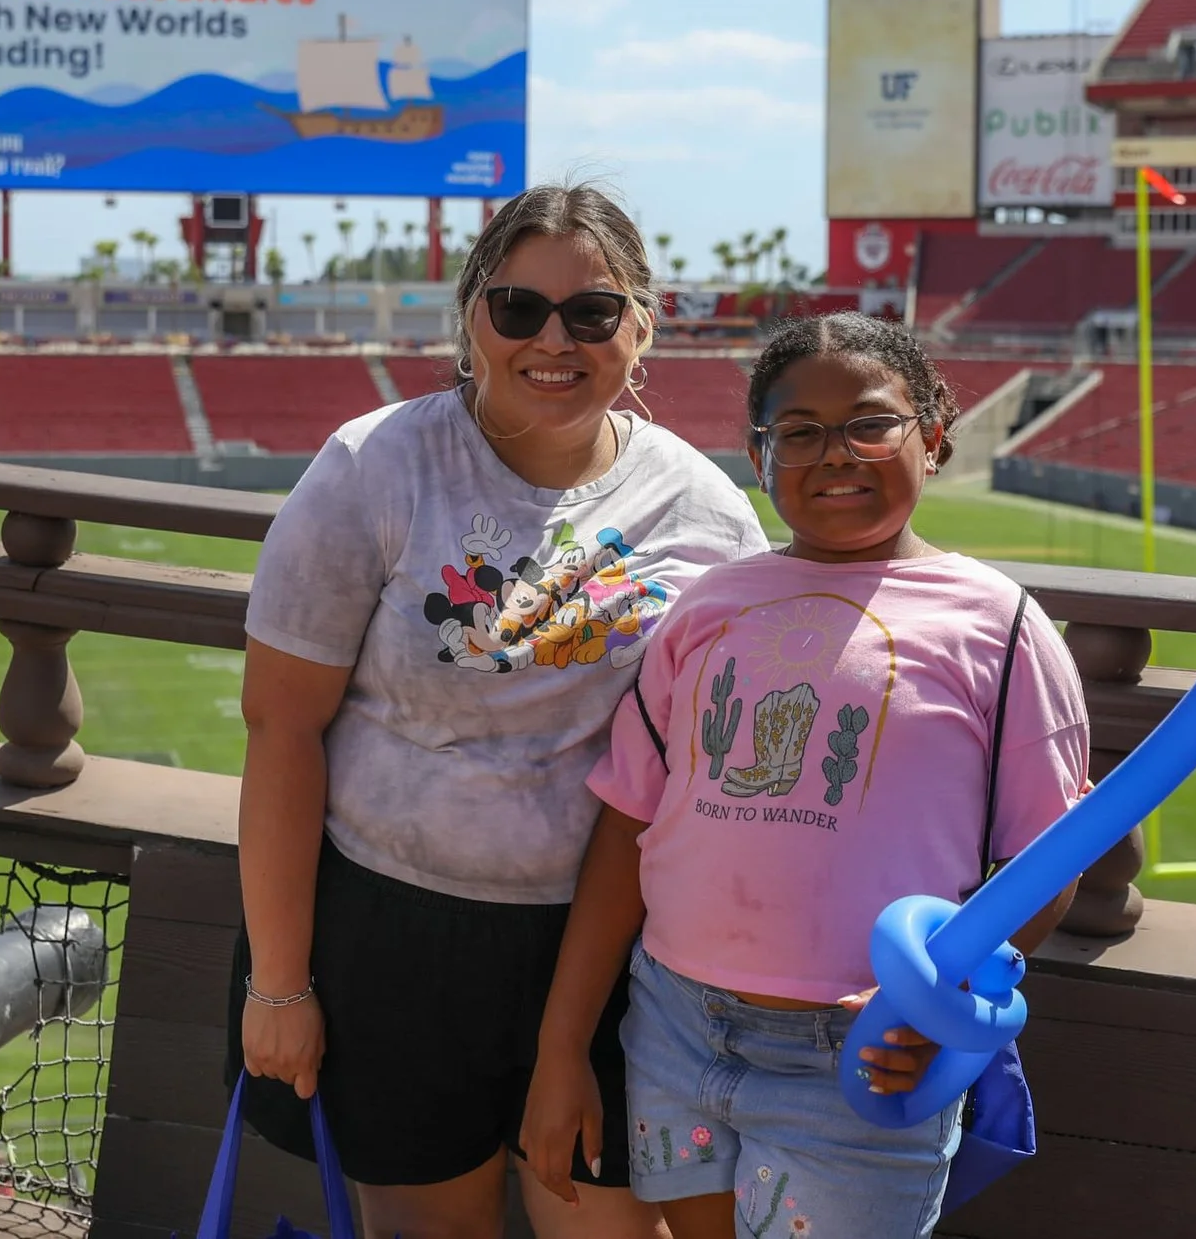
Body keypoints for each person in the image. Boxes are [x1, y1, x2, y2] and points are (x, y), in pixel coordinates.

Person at [233, 183, 771, 1239]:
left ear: (643, 324)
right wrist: (281, 984)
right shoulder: (372, 464)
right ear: (470, 315)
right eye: (518, 308)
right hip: (389, 932)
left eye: (592, 311)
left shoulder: (705, 510)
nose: (552, 339)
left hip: (615, 948)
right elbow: (280, 728)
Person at [519, 313, 1092, 1238]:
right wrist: (560, 1048)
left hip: (867, 1056)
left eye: (871, 423)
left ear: (934, 437)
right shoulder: (708, 607)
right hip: (674, 1029)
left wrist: (936, 1002)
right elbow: (629, 828)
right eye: (799, 431)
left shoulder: (1002, 626)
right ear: (759, 456)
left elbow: (1048, 860)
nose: (838, 454)